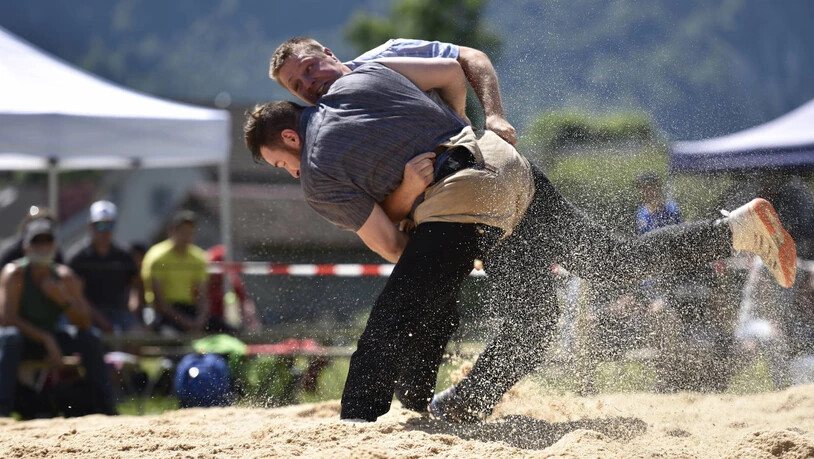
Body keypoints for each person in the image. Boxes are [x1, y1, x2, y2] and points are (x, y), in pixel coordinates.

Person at [252, 48, 797, 423]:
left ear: (290, 138)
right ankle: (737, 228)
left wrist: (437, 178)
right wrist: (468, 134)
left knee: (404, 315)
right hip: (505, 168)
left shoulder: (324, 158)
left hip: (460, 201)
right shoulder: (373, 71)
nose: (311, 85)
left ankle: (374, 421)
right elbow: (456, 67)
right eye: (299, 86)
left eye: (280, 164)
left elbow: (394, 246)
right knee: (603, 268)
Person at [270, 37, 517, 146]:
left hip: (470, 155)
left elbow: (472, 57)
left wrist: (494, 115)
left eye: (309, 67)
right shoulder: (326, 129)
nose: (308, 83)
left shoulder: (389, 55)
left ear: (329, 54)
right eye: (297, 86)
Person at [0, 219, 116, 417]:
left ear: (54, 247)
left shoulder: (64, 277)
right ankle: (3, 410)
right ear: (25, 247)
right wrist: (46, 339)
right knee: (10, 337)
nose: (42, 247)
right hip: (25, 340)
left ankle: (105, 407)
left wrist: (61, 298)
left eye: (47, 242)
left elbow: (84, 322)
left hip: (52, 338)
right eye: (37, 242)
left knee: (91, 337)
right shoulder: (15, 273)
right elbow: (7, 318)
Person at [68, 201, 144, 334]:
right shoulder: (78, 257)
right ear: (91, 226)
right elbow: (76, 295)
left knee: (137, 336)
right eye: (100, 225)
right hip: (88, 315)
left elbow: (136, 285)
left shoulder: (125, 255)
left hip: (120, 313)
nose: (105, 230)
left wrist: (134, 304)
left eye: (110, 225)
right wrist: (101, 321)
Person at [141, 211, 209, 334]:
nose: (186, 236)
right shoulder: (157, 256)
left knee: (226, 330)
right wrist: (185, 323)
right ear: (171, 231)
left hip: (188, 308)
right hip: (162, 312)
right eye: (183, 231)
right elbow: (160, 302)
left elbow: (202, 295)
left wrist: (200, 320)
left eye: (190, 232)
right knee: (170, 335)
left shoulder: (198, 257)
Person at [205, 244, 261, 333]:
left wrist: (252, 323)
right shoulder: (201, 281)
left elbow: (245, 303)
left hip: (223, 322)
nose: (214, 274)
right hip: (205, 321)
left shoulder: (231, 281)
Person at [0, 206, 65, 268]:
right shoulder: (10, 255)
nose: (43, 247)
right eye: (37, 240)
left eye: (47, 239)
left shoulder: (55, 253)